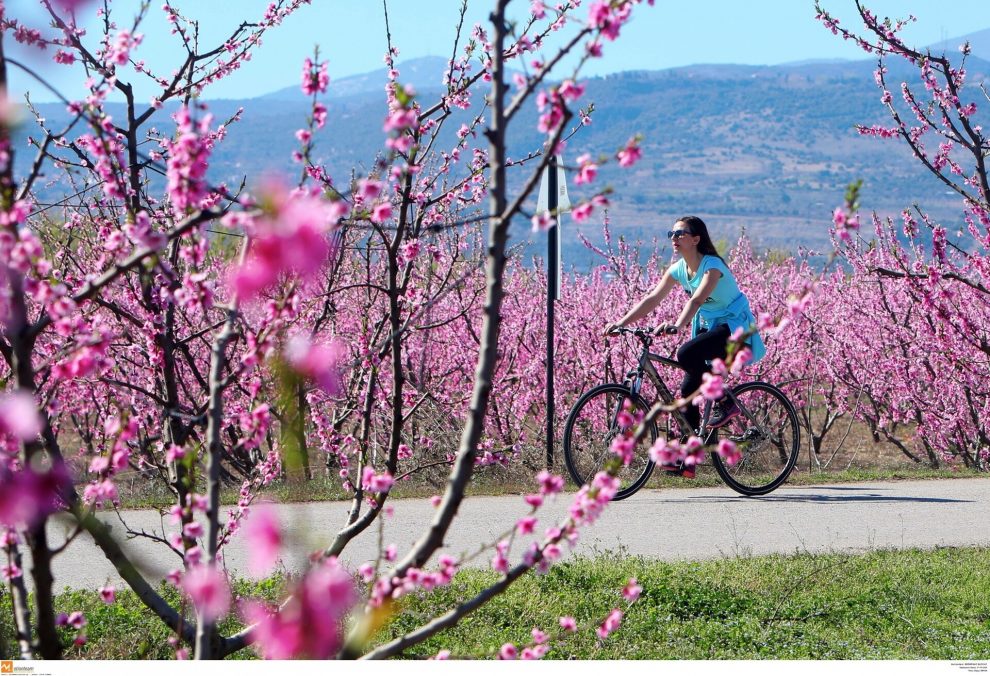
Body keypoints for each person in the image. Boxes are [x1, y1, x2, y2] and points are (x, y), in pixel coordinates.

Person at [604, 216, 765, 477]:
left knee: (685, 353)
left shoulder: (713, 267)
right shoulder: (679, 269)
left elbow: (699, 298)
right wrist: (620, 323)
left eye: (680, 234)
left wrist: (678, 325)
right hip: (709, 326)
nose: (674, 238)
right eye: (672, 233)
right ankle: (689, 458)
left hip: (733, 326)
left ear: (696, 239)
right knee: (688, 390)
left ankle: (725, 401)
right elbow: (653, 297)